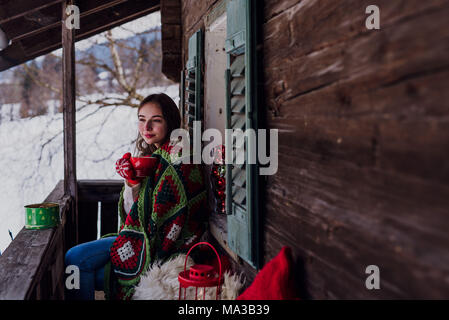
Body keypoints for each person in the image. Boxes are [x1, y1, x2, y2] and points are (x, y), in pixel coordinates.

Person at [64, 93, 208, 300]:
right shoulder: (156, 157)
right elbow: (136, 209)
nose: (146, 128)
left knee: (80, 265)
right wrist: (132, 182)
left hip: (162, 246)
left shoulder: (178, 155)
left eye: (155, 121)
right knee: (75, 259)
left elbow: (169, 211)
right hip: (139, 237)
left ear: (170, 122)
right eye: (142, 120)